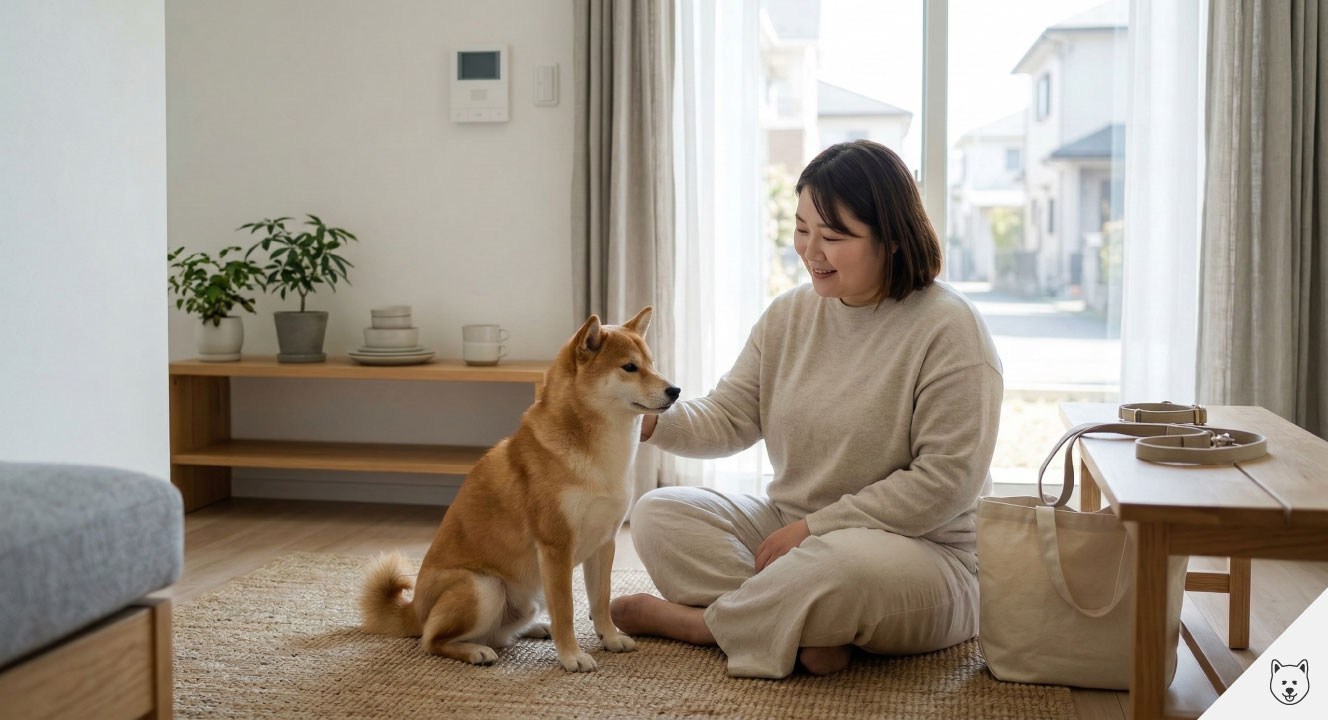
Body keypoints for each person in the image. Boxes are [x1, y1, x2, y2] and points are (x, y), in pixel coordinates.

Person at [608, 140, 1003, 679]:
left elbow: (945, 483)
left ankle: (701, 625)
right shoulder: (789, 314)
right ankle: (806, 627)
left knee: (840, 568)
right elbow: (729, 417)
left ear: (891, 239)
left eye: (833, 237)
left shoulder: (951, 330)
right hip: (792, 532)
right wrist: (647, 415)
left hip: (921, 554)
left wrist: (818, 529)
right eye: (800, 229)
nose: (809, 250)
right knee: (658, 513)